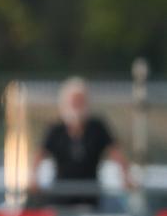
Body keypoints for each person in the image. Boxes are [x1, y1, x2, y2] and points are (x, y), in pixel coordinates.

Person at [30, 77, 133, 209]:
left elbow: (116, 153)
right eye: (74, 102)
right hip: (60, 194)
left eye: (80, 101)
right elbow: (39, 154)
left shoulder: (97, 127)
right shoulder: (56, 129)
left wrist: (126, 176)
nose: (77, 106)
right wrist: (33, 178)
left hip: (88, 195)